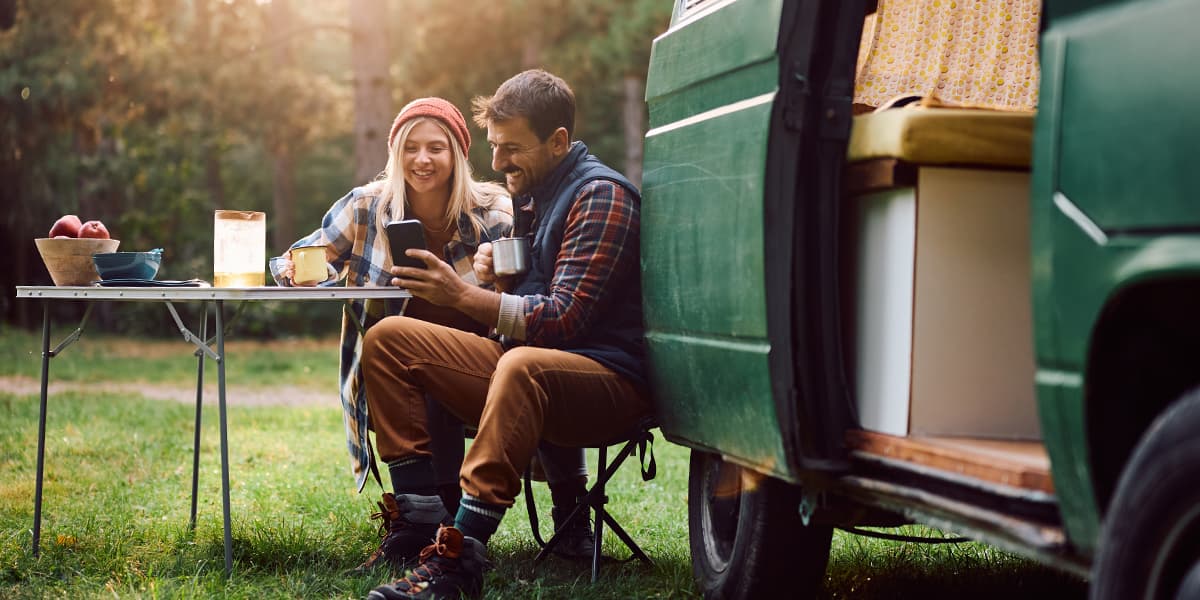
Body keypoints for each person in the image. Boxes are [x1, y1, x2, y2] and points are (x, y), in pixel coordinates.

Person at [268, 97, 594, 572]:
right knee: (404, 357)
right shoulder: (366, 207)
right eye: (411, 148)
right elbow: (295, 259)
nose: (422, 160)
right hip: (399, 378)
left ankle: (569, 511)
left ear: (458, 154)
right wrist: (303, 271)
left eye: (436, 148)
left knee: (539, 354)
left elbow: (537, 294)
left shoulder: (496, 212)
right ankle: (421, 522)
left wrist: (486, 279)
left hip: (487, 365)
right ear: (396, 153)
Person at [361, 70, 652, 600]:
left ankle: (456, 563)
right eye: (494, 147)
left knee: (523, 364)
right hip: (535, 372)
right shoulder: (536, 197)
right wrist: (503, 279)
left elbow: (564, 320)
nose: (497, 164)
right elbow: (536, 302)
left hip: (608, 384)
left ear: (558, 141)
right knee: (390, 337)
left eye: (512, 148)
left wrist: (464, 294)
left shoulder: (601, 196)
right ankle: (421, 520)